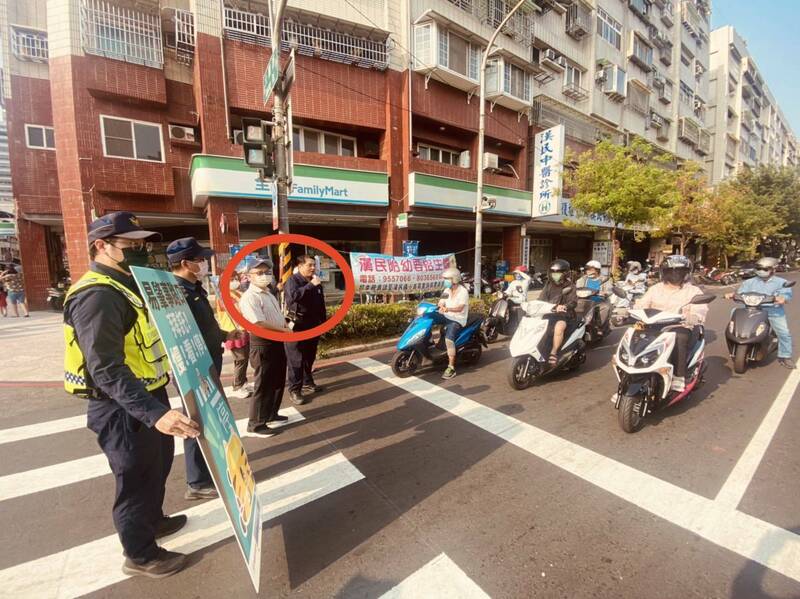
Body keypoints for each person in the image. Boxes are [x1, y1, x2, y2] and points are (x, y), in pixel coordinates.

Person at [63, 211, 199, 578]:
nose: (140, 249)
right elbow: (104, 368)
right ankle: (139, 554)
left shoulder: (127, 283)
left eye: (143, 243)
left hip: (149, 395)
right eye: (131, 244)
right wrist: (155, 414)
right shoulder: (97, 295)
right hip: (123, 408)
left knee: (156, 468)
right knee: (135, 479)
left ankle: (152, 521)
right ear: (101, 246)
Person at [167, 237, 242, 500]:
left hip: (207, 361)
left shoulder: (193, 287)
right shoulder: (177, 293)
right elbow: (183, 334)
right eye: (200, 260)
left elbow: (204, 328)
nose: (204, 264)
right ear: (186, 263)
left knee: (208, 417)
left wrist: (224, 334)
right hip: (193, 366)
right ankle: (197, 482)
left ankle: (211, 468)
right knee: (196, 420)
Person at [636, 255, 709, 391]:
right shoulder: (655, 289)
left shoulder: (693, 291)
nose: (675, 274)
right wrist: (627, 311)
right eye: (672, 271)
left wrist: (695, 316)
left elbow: (701, 308)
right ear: (664, 272)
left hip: (679, 327)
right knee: (634, 336)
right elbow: (642, 304)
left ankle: (678, 376)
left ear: (686, 273)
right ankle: (629, 376)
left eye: (680, 271)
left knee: (679, 337)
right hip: (653, 325)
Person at [239, 259, 290, 437]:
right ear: (248, 276)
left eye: (267, 272)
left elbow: (276, 315)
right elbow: (258, 323)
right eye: (259, 273)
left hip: (277, 342)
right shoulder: (250, 297)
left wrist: (284, 325)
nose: (265, 276)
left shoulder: (268, 293)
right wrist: (283, 330)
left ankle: (271, 414)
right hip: (262, 344)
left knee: (277, 381)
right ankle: (255, 425)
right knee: (264, 384)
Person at [726, 256, 794, 369]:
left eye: (765, 269)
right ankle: (737, 340)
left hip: (772, 310)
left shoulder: (782, 282)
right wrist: (732, 294)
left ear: (773, 269)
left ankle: (785, 356)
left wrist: (782, 298)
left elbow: (786, 295)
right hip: (749, 308)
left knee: (783, 332)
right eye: (758, 268)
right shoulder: (749, 282)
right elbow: (740, 293)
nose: (761, 271)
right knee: (734, 313)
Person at [284, 255, 327, 404]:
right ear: (300, 266)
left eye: (314, 265)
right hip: (297, 324)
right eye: (309, 265)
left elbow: (321, 303)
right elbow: (292, 298)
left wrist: (323, 321)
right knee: (296, 359)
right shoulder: (293, 280)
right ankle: (295, 390)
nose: (313, 268)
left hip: (313, 323)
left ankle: (308, 382)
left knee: (310, 356)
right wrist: (310, 286)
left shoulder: (315, 281)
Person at [218, 271, 252, 399]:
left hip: (242, 330)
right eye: (230, 278)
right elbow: (238, 309)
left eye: (235, 278)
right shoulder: (223, 295)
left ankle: (242, 383)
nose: (234, 280)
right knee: (240, 359)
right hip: (232, 331)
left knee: (244, 358)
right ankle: (237, 385)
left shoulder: (237, 292)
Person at [540, 259, 578, 364]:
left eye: (558, 272)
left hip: (564, 315)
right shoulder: (548, 285)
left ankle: (554, 352)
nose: (555, 275)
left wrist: (564, 306)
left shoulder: (570, 286)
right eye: (553, 272)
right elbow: (541, 299)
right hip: (549, 313)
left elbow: (573, 302)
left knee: (559, 327)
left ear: (565, 273)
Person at [437, 267, 469, 379]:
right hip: (447, 316)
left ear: (454, 279)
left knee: (449, 339)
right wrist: (441, 306)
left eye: (447, 279)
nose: (445, 281)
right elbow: (440, 302)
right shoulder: (446, 291)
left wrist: (448, 309)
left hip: (457, 319)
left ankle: (451, 367)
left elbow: (460, 308)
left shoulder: (463, 292)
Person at [576, 260, 612, 326]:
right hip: (585, 302)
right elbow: (577, 288)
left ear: (597, 270)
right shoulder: (582, 279)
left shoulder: (605, 279)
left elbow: (610, 290)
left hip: (600, 302)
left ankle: (599, 326)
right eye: (587, 270)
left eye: (591, 270)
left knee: (605, 307)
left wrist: (605, 293)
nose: (588, 272)